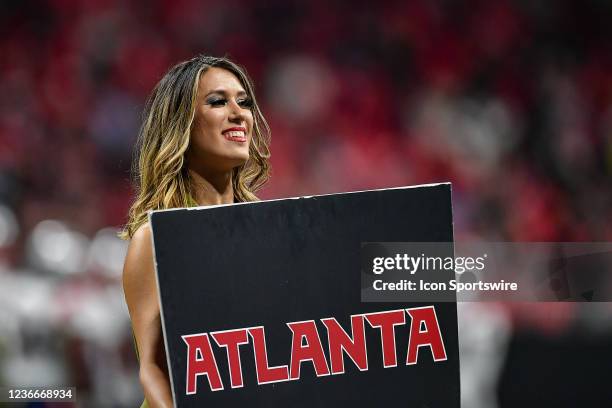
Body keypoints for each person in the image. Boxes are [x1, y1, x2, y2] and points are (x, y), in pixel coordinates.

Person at [120, 55, 271, 408]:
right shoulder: (155, 239)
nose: (238, 113)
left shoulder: (267, 228)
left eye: (243, 101)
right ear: (181, 124)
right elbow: (154, 369)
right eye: (218, 101)